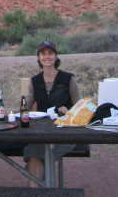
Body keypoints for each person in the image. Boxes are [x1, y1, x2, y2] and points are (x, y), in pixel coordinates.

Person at [24, 41, 80, 187]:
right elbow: (25, 108)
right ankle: (37, 190)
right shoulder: (34, 81)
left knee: (38, 155)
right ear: (38, 58)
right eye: (43, 53)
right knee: (34, 154)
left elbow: (80, 108)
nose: (47, 57)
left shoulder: (68, 79)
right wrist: (19, 110)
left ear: (56, 57)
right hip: (41, 133)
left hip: (65, 133)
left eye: (50, 53)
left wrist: (69, 112)